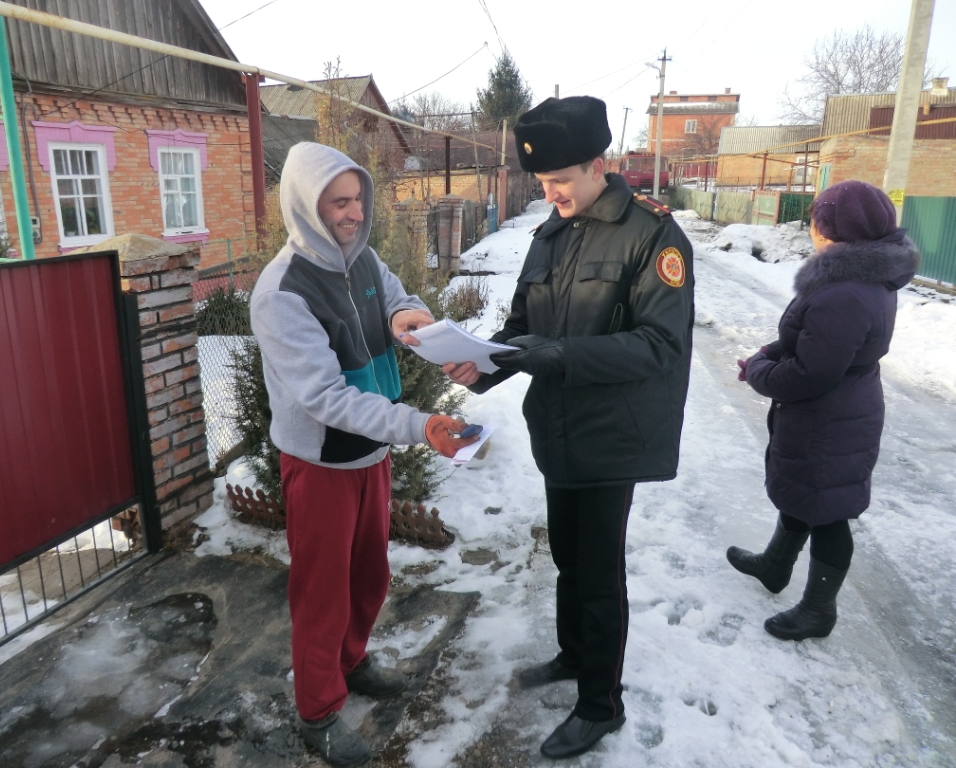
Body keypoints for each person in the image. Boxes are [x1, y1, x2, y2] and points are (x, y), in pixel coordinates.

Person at [443, 96, 695, 759]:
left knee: (598, 571)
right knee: (566, 557)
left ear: (597, 165)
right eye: (541, 182)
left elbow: (659, 346)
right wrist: (484, 366)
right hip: (556, 427)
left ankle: (600, 704)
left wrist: (554, 356)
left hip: (613, 432)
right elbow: (525, 325)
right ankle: (572, 655)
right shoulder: (551, 232)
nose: (548, 193)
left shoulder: (651, 234)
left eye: (559, 181)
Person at [250, 142, 476, 768]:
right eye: (338, 203)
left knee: (369, 573)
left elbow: (400, 295)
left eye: (357, 200)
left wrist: (409, 315)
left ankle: (352, 659)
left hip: (370, 455)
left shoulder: (365, 260)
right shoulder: (281, 293)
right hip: (320, 462)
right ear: (306, 207)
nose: (352, 214)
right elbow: (326, 397)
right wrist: (420, 423)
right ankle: (318, 711)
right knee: (321, 591)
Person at [728, 180, 919, 641]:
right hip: (840, 409)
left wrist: (758, 372)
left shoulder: (845, 291)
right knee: (807, 494)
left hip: (829, 420)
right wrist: (766, 355)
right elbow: (812, 340)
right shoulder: (858, 276)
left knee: (828, 511)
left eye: (817, 219)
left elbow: (811, 372)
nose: (812, 227)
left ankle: (818, 610)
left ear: (832, 229)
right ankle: (776, 565)